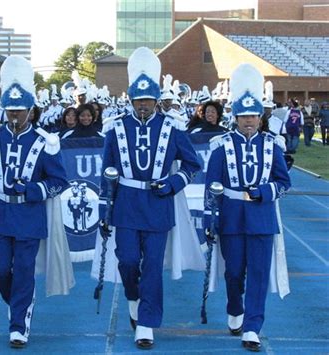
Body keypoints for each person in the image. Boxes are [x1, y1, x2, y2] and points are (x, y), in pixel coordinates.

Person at [99, 47, 200, 350]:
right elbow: (107, 171)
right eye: (137, 99)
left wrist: (172, 183)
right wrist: (105, 210)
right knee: (128, 262)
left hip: (158, 205)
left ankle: (147, 323)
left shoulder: (173, 126)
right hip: (127, 205)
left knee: (153, 265)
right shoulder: (115, 127)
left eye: (148, 100)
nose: (142, 105)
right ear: (129, 99)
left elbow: (193, 164)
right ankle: (133, 297)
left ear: (157, 100)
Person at [0, 55, 73, 348]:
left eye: (20, 110)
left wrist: (32, 190)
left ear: (31, 110)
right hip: (0, 213)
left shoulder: (46, 141)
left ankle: (19, 324)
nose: (14, 115)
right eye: (10, 109)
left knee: (25, 270)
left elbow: (60, 181)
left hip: (29, 215)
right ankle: (19, 303)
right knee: (0, 270)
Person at [204, 63, 291, 352]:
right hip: (231, 217)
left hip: (262, 218)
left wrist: (264, 192)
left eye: (254, 115)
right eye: (244, 116)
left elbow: (283, 182)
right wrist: (209, 220)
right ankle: (234, 307)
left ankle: (253, 327)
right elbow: (211, 186)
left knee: (258, 274)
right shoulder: (221, 145)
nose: (249, 121)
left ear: (260, 117)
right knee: (233, 272)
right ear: (236, 117)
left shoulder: (272, 145)